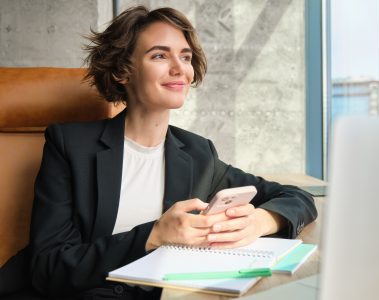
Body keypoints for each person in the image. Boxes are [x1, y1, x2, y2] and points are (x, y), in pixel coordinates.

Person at [29, 5, 317, 300]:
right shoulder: (69, 145)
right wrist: (154, 235)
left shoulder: (198, 153)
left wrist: (259, 222)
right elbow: (47, 268)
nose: (180, 69)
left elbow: (297, 198)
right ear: (121, 72)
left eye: (186, 56)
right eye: (159, 55)